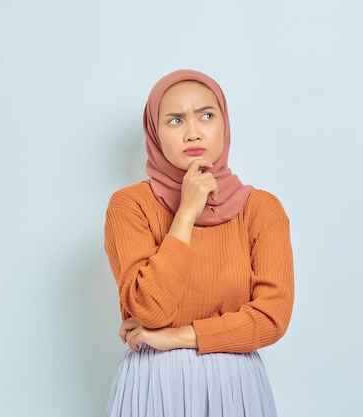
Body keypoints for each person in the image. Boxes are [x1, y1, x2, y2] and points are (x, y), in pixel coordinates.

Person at [103, 69, 294, 417]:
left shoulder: (260, 209)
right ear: (154, 132)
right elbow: (149, 309)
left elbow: (271, 318)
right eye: (175, 120)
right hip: (153, 385)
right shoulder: (129, 205)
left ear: (225, 122)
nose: (193, 132)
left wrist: (177, 337)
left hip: (236, 387)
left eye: (207, 115)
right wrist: (186, 212)